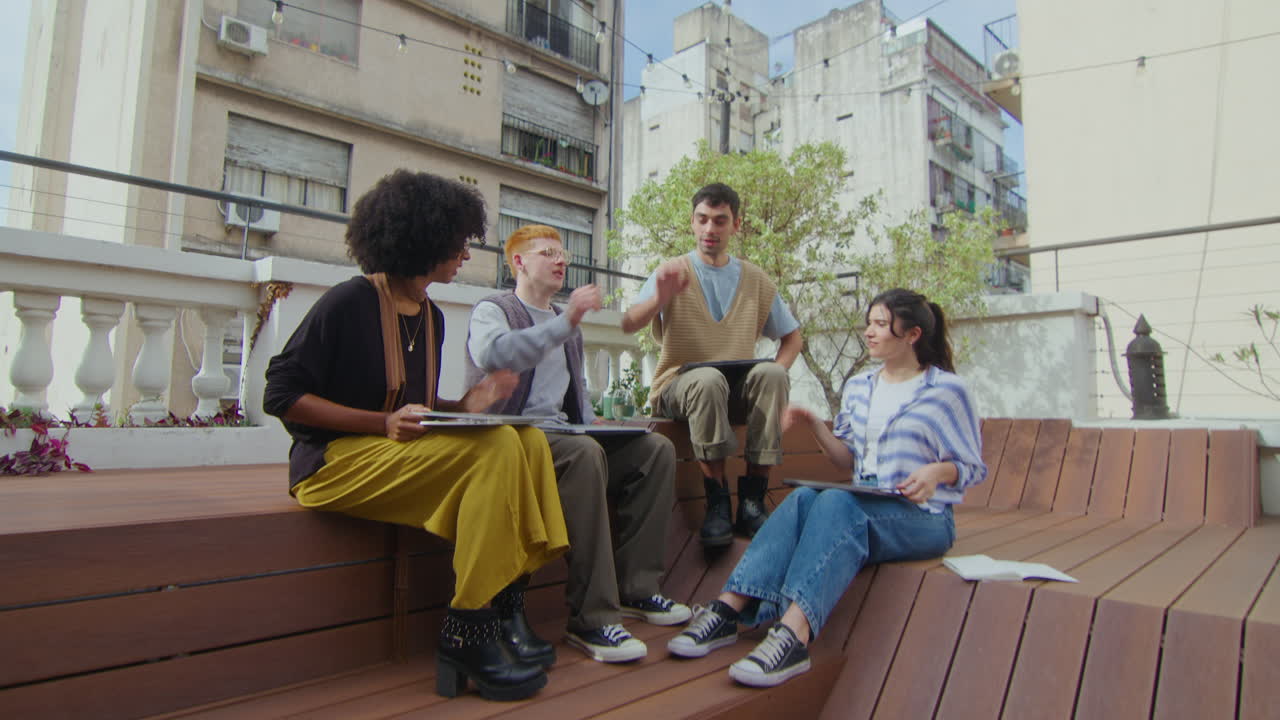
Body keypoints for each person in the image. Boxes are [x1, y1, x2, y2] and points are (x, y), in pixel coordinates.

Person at [263, 170, 570, 703]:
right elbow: (281, 395)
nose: (464, 256)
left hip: (390, 456)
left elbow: (410, 407)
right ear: (422, 240)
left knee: (526, 440)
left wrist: (466, 406)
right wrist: (379, 424)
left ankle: (506, 601)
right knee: (498, 447)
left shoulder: (430, 315)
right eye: (457, 244)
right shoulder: (348, 302)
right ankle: (467, 627)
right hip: (331, 465)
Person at [666, 288, 986, 688]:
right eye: (868, 322)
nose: (868, 332)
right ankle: (728, 610)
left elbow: (972, 466)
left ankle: (793, 634)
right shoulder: (860, 387)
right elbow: (847, 460)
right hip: (867, 502)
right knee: (803, 496)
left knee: (836, 502)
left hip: (925, 517)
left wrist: (937, 473)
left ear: (912, 334)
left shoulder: (946, 391)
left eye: (880, 325)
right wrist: (815, 424)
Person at [464, 224, 691, 664]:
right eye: (548, 252)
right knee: (583, 454)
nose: (560, 260)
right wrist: (566, 322)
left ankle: (637, 589)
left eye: (562, 253)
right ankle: (592, 618)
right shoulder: (493, 310)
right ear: (518, 262)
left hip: (563, 436)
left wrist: (601, 425)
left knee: (654, 450)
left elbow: (574, 398)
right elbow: (496, 355)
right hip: (510, 442)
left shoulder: (567, 324)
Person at [621, 183, 803, 548]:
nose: (710, 230)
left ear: (736, 225)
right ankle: (717, 500)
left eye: (720, 221)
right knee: (706, 379)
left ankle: (752, 500)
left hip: (732, 391)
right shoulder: (672, 271)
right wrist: (660, 296)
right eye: (702, 220)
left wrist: (779, 373)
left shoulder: (755, 279)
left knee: (771, 373)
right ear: (692, 223)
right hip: (679, 385)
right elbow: (629, 323)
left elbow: (793, 339)